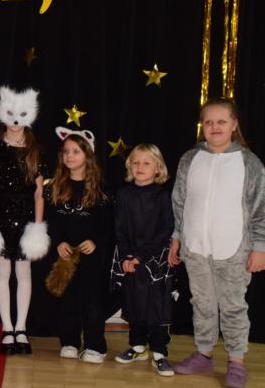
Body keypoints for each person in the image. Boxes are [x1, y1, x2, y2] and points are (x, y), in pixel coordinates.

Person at [169, 97, 265, 388]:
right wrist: (177, 237)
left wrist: (260, 247)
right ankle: (204, 354)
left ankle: (236, 362)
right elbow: (179, 202)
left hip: (234, 249)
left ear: (234, 124)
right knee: (202, 303)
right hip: (195, 246)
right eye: (208, 122)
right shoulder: (190, 159)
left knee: (233, 305)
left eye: (221, 121)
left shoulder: (249, 162)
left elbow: (260, 207)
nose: (215, 127)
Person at [0, 86, 50, 355]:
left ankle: (21, 328)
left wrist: (37, 226)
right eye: (10, 114)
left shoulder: (35, 150)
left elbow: (40, 193)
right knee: (2, 272)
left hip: (26, 218)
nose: (15, 121)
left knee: (24, 273)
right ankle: (7, 328)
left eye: (21, 115)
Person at [44, 130, 112, 364]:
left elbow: (108, 225)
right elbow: (51, 221)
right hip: (66, 255)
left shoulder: (100, 189)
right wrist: (58, 242)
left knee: (92, 302)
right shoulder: (55, 186)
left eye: (76, 151)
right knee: (68, 301)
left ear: (88, 154)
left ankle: (95, 346)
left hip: (91, 255)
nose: (70, 156)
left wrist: (96, 241)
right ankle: (70, 342)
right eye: (66, 152)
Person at [112, 144, 174, 376]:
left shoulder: (162, 196)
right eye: (136, 162)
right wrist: (128, 256)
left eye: (146, 163)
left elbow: (165, 230)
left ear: (158, 169)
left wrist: (141, 256)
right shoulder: (123, 194)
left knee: (156, 305)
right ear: (129, 166)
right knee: (134, 302)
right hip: (130, 258)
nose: (140, 167)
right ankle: (138, 346)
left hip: (155, 259)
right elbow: (119, 229)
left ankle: (159, 352)